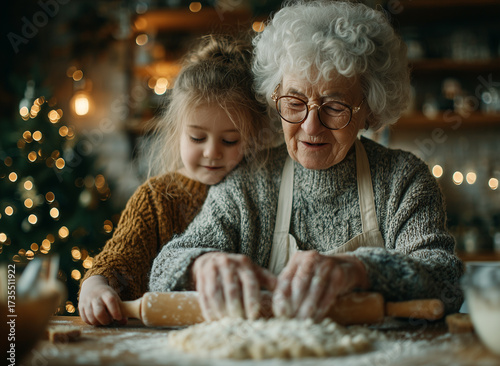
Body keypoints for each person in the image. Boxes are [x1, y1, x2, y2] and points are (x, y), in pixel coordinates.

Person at [149, 1, 464, 321]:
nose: (311, 127)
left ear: (368, 109)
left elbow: (446, 280)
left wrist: (360, 270)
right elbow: (164, 269)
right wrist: (200, 265)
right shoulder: (250, 181)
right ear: (276, 97)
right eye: (295, 102)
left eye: (335, 106)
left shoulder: (402, 179)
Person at [78, 34, 274, 326]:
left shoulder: (257, 191)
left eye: (230, 140)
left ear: (250, 138)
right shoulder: (156, 197)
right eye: (197, 137)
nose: (212, 152)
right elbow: (119, 259)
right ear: (176, 130)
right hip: (167, 339)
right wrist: (95, 288)